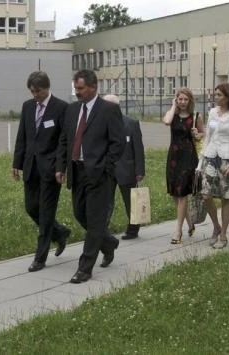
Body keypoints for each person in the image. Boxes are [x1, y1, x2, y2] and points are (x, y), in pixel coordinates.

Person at [55, 69, 125, 283]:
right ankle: (108, 243)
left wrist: (105, 166)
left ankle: (85, 268)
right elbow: (65, 140)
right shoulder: (72, 110)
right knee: (79, 214)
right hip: (77, 171)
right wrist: (61, 167)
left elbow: (118, 143)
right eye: (75, 88)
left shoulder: (109, 110)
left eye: (81, 88)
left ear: (94, 87)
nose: (77, 92)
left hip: (99, 173)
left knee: (95, 221)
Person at [12, 71, 71, 272]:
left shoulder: (61, 107)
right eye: (31, 91)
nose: (34, 95)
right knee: (31, 208)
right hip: (30, 166)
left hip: (50, 170)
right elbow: (22, 136)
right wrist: (16, 163)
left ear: (46, 88)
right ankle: (60, 232)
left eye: (37, 91)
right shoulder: (28, 107)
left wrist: (60, 167)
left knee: (46, 214)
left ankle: (40, 257)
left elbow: (64, 141)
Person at [196, 83, 229, 248]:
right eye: (215, 95)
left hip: (226, 160)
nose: (216, 97)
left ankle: (223, 235)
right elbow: (207, 137)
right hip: (209, 156)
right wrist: (200, 163)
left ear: (227, 97)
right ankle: (216, 227)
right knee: (206, 195)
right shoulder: (212, 112)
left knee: (225, 197)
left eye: (219, 95)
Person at [163, 87, 204, 244]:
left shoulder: (196, 116)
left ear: (190, 101)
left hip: (188, 157)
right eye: (180, 99)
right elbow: (166, 121)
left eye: (185, 99)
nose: (182, 102)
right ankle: (189, 223)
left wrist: (197, 134)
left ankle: (178, 232)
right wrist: (173, 106)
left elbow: (202, 134)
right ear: (176, 99)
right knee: (175, 193)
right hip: (173, 157)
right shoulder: (172, 116)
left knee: (181, 194)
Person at [104, 94, 145, 240]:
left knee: (131, 202)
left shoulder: (131, 123)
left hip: (127, 170)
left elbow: (138, 148)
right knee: (105, 202)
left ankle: (133, 230)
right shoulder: (100, 124)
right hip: (106, 170)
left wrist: (140, 170)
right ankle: (102, 231)